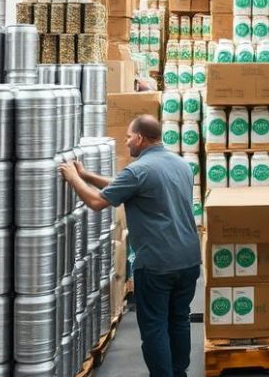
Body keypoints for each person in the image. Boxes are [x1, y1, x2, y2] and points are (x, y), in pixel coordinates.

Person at [61, 114, 202, 377]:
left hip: (157, 264)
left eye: (128, 137)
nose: (126, 143)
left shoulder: (138, 170)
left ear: (139, 138)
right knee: (179, 319)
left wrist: (73, 178)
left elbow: (97, 202)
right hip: (189, 260)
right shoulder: (181, 165)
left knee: (155, 326)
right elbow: (121, 188)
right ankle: (178, 373)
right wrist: (86, 174)